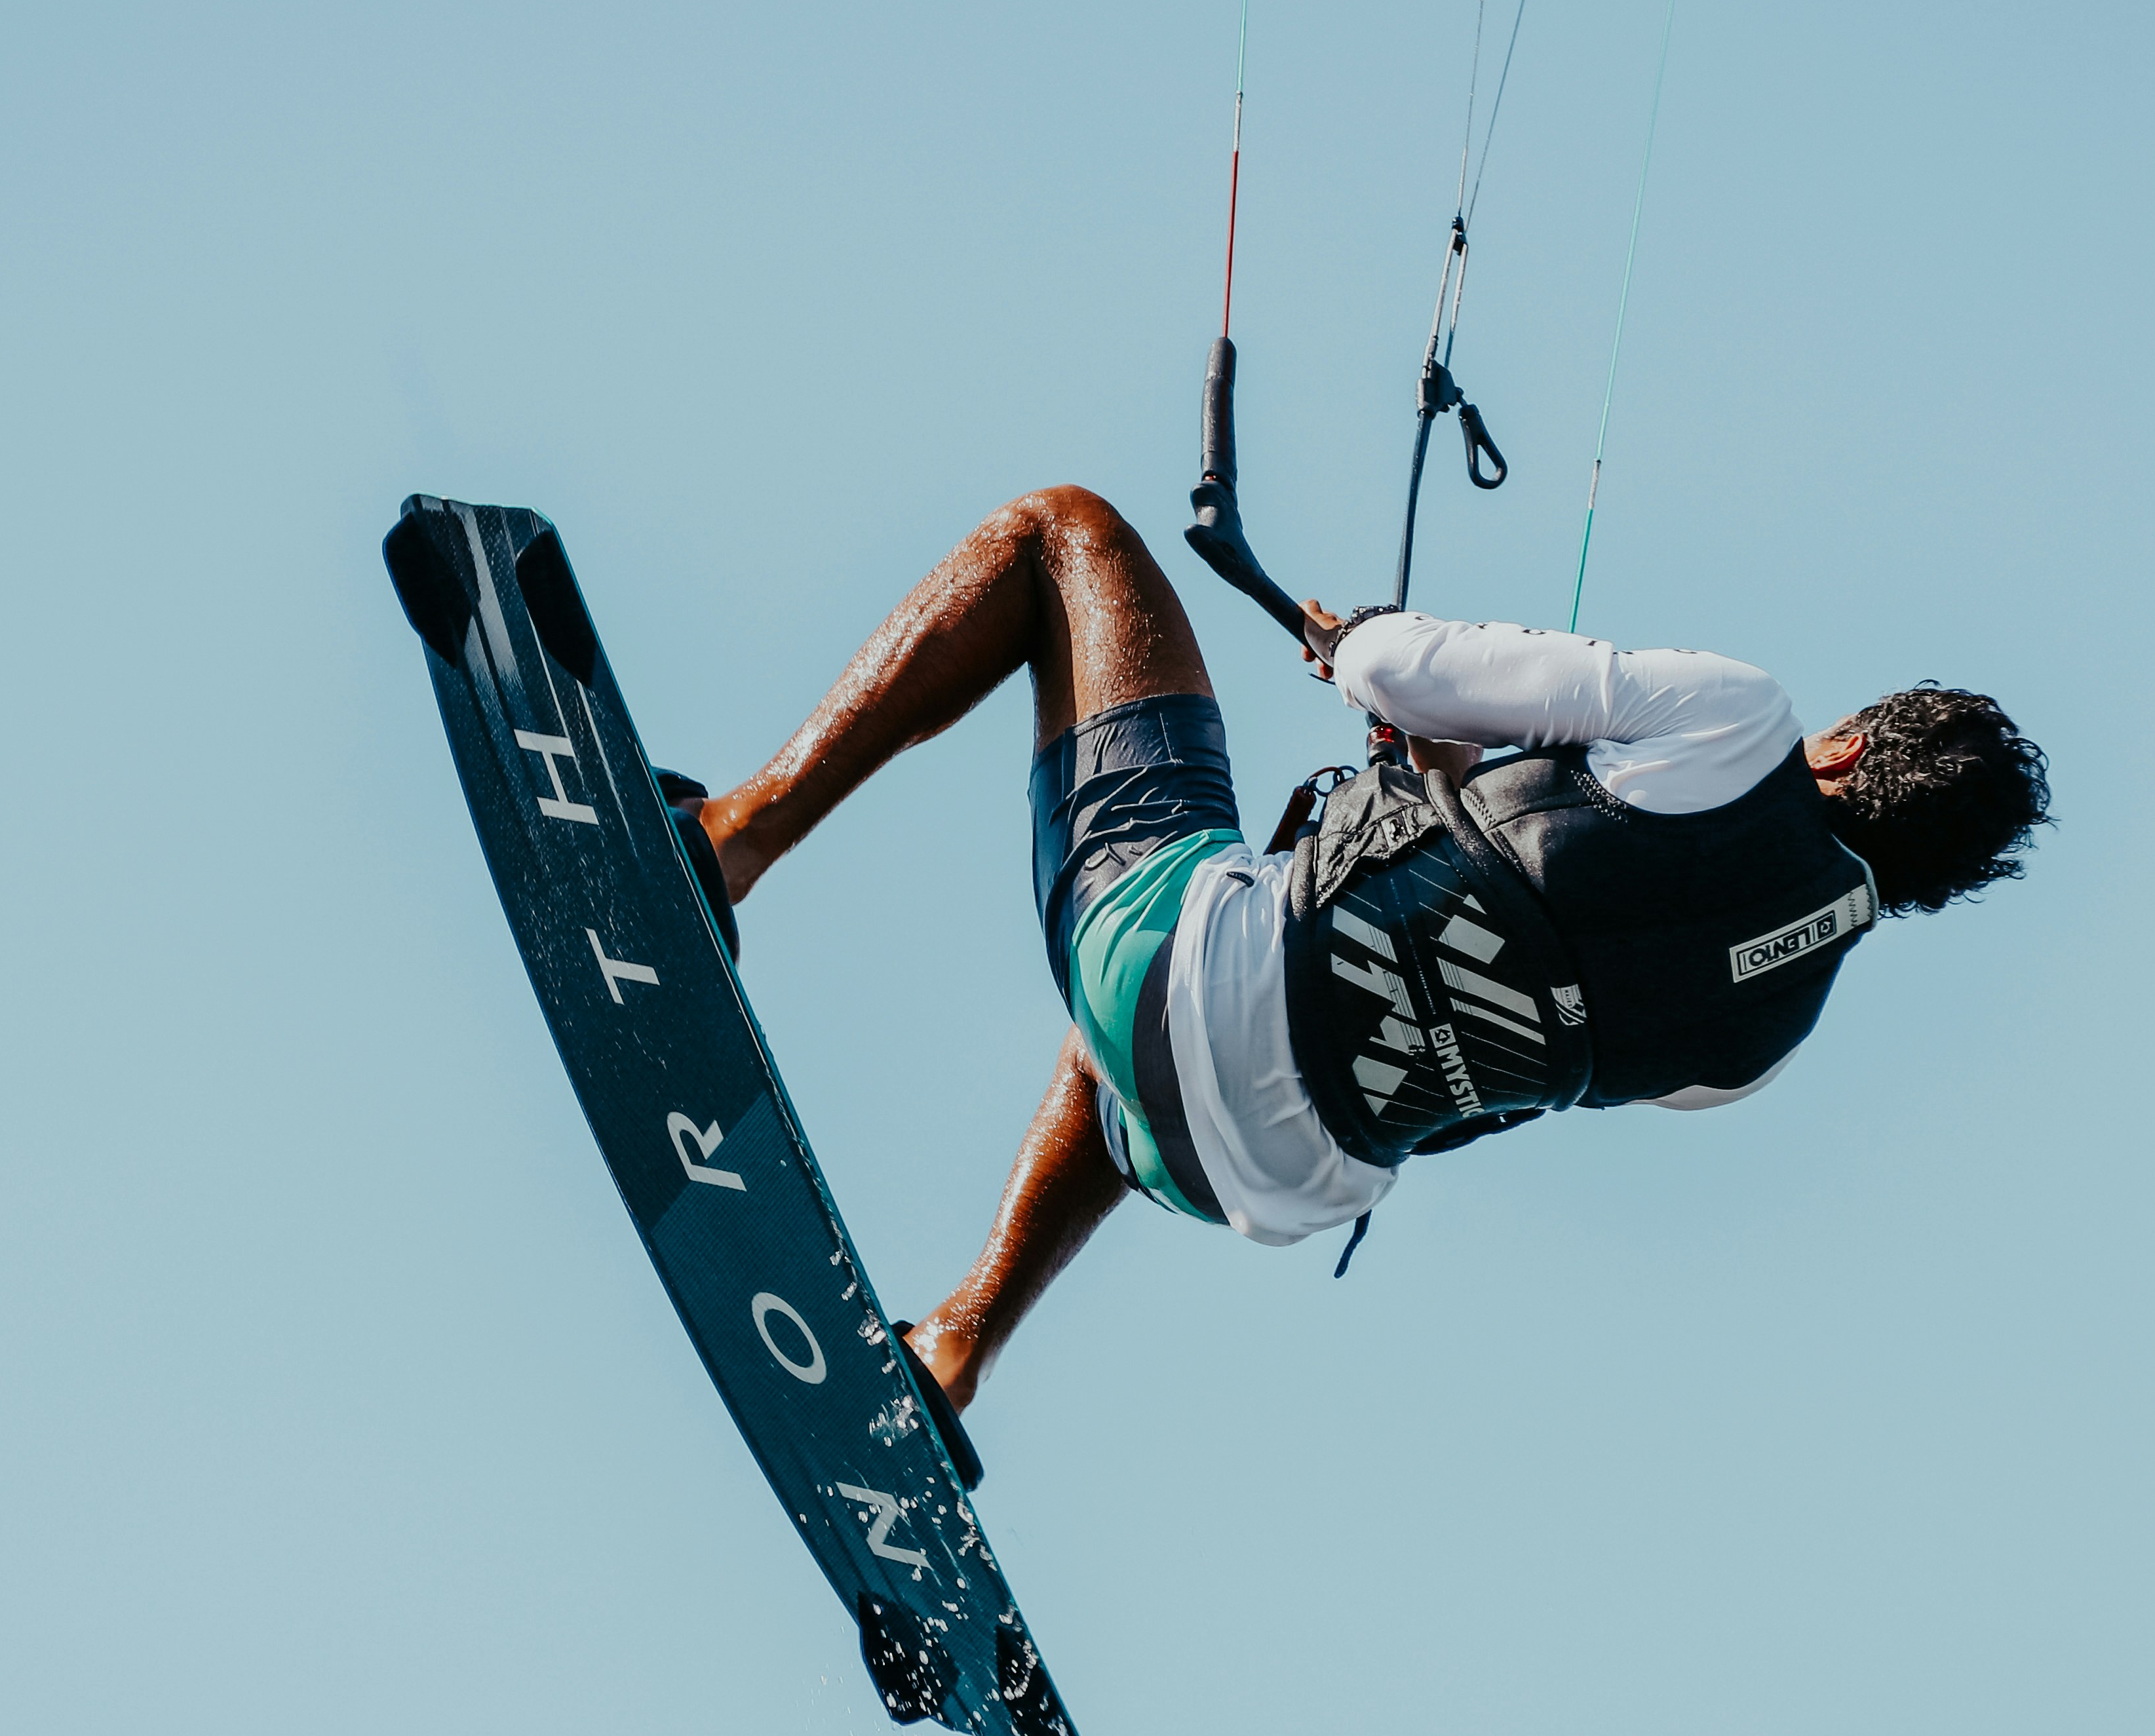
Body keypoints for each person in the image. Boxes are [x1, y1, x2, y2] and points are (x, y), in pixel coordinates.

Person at [686, 486, 2049, 1419]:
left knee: (1063, 533)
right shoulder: (1765, 1047)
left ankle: (735, 836)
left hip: (1183, 979)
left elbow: (1401, 674)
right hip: (1258, 1180)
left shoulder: (1747, 723)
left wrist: (1360, 647)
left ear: (1849, 750)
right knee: (1198, 1008)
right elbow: (1520, 954)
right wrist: (1440, 776)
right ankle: (961, 1340)